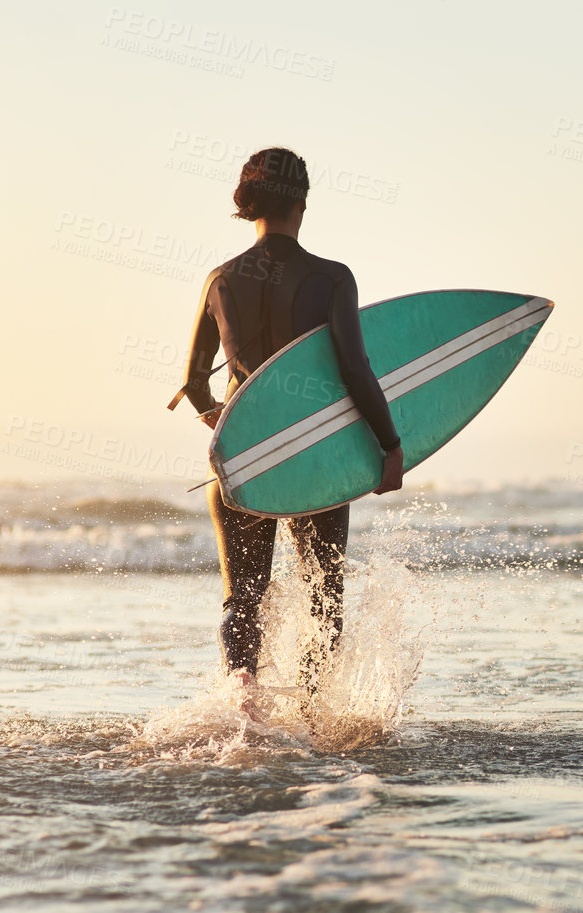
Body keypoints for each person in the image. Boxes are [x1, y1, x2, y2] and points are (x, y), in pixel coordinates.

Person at [171, 147, 404, 704]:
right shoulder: (331, 279)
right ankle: (313, 710)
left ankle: (242, 703)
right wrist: (389, 444)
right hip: (313, 457)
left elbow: (195, 385)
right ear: (302, 202)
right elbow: (355, 368)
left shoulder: (219, 280)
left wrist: (230, 425)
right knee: (323, 593)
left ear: (248, 204)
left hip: (242, 455)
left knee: (241, 599)